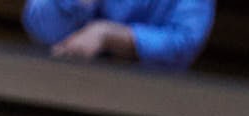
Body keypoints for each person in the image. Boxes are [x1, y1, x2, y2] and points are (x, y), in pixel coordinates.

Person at [22, 0, 213, 66]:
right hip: (66, 81)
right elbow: (40, 27)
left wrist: (109, 36)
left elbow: (186, 40)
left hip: (148, 99)